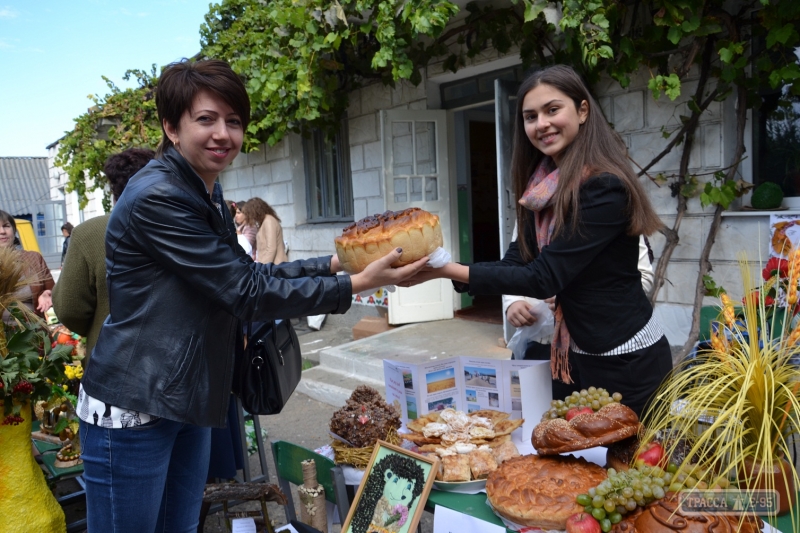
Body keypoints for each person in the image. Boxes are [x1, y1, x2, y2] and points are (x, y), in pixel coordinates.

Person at [75, 59, 427, 533]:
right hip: (134, 405)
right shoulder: (157, 196)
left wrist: (334, 264)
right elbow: (244, 292)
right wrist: (361, 284)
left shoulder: (205, 193)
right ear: (171, 128)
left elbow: (247, 273)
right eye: (206, 119)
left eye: (234, 121)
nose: (223, 134)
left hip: (186, 397)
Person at [403, 65, 671, 417]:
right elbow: (518, 261)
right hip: (571, 357)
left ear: (583, 110)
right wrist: (445, 267)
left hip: (627, 361)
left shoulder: (604, 187)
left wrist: (444, 270)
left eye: (552, 109)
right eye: (530, 116)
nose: (541, 123)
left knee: (628, 466)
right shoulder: (540, 191)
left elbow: (544, 277)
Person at [503, 231, 655, 400]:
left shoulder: (609, 209)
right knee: (525, 415)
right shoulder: (533, 207)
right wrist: (512, 300)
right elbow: (514, 262)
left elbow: (642, 279)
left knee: (586, 418)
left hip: (589, 346)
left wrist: (572, 297)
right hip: (535, 341)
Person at [52, 148, 154, 364]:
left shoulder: (88, 234)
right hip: (180, 371)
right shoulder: (185, 228)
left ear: (112, 188)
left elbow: (69, 308)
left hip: (111, 363)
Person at [0, 210, 54, 317]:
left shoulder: (34, 258)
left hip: (34, 331)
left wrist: (46, 294)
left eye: (6, 226)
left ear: (14, 230)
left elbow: (55, 291)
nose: (2, 231)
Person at [241, 196, 288, 264]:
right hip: (270, 266)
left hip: (275, 266)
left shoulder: (269, 221)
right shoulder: (264, 222)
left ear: (255, 211)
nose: (250, 217)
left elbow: (271, 249)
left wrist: (263, 268)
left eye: (250, 213)